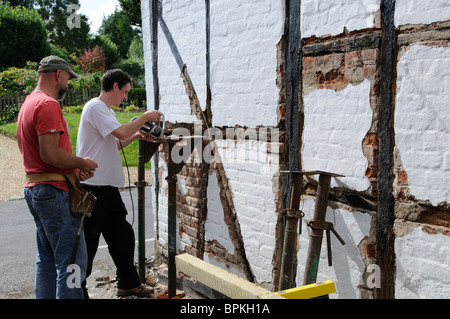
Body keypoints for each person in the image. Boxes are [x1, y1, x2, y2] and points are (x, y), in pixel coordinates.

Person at [17, 55, 98, 299]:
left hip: (37, 188)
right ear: (58, 75)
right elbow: (50, 153)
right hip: (53, 191)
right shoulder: (48, 104)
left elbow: (43, 157)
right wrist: (81, 162)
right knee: (72, 262)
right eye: (68, 79)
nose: (68, 85)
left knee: (47, 260)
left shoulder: (29, 102)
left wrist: (72, 168)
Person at [76, 69, 162, 298]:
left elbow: (112, 145)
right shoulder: (95, 107)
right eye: (124, 92)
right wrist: (144, 118)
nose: (125, 97)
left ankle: (128, 283)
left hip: (107, 188)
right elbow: (122, 132)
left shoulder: (105, 111)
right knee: (88, 243)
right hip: (93, 187)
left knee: (122, 236)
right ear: (114, 86)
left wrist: (135, 136)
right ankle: (77, 291)